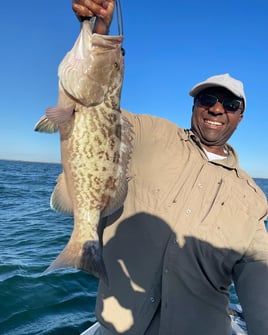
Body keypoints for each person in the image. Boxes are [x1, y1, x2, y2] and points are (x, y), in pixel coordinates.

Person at [72, 1, 268, 334]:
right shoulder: (151, 134)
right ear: (194, 104)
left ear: (240, 115)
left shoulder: (252, 197)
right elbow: (93, 110)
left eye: (230, 104)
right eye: (208, 99)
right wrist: (97, 33)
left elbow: (258, 278)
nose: (217, 109)